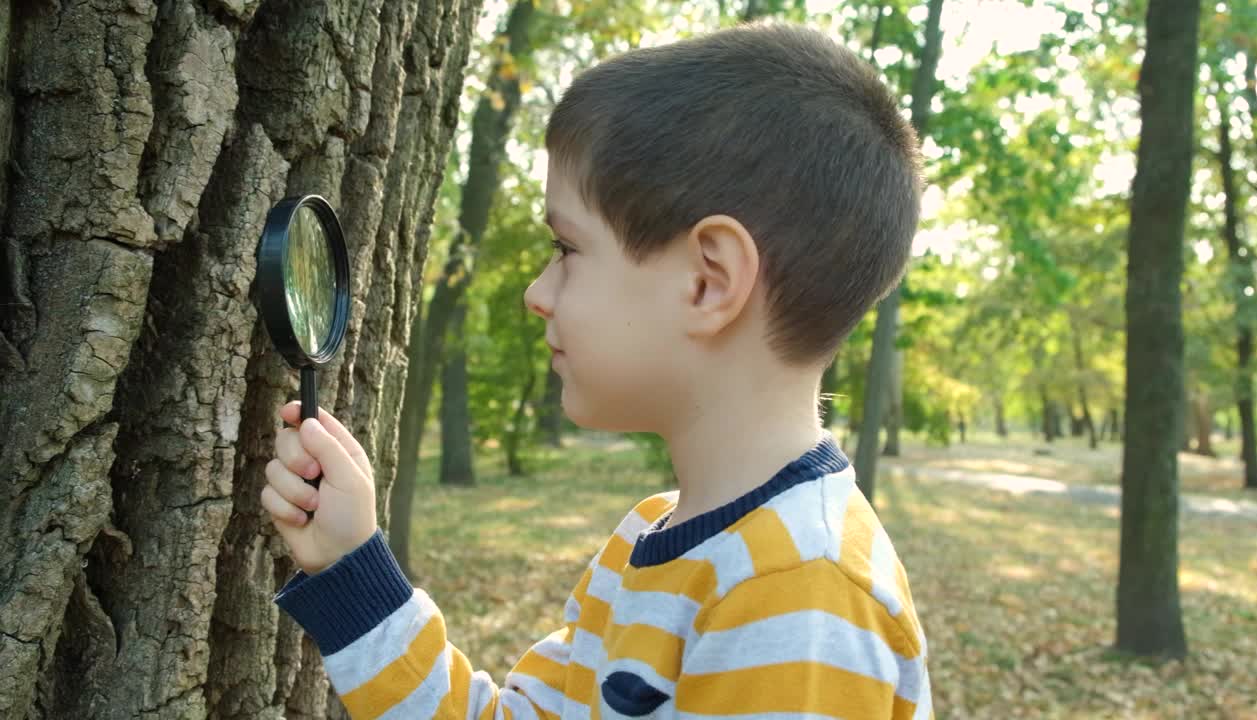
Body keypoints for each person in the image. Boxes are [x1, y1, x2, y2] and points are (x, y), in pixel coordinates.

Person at [261, 21, 931, 719]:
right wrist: (352, 566)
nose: (536, 294)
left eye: (567, 248)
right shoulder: (649, 540)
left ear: (708, 282)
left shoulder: (800, 593)